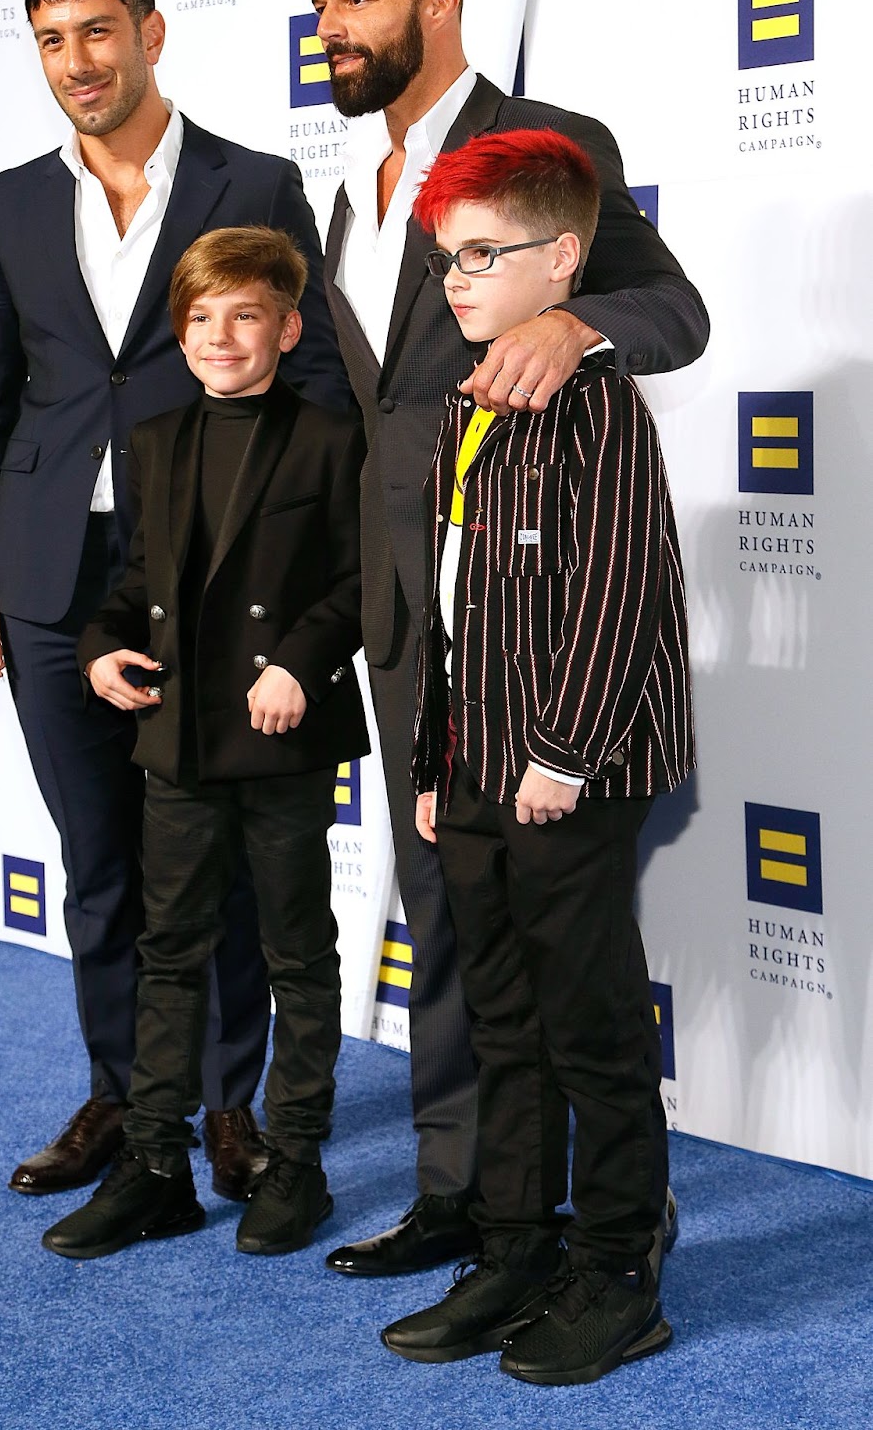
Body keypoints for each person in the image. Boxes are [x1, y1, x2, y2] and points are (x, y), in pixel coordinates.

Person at [303, 0, 707, 1277]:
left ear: (437, 0)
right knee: (445, 912)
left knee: (552, 942)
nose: (328, 30)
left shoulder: (544, 150)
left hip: (537, 611)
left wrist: (574, 318)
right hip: (407, 612)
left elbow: (674, 312)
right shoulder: (340, 189)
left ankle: (605, 1230)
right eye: (317, 7)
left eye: (354, 0)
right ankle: (470, 1194)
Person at [0, 0, 350, 1201]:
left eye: (98, 32)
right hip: (52, 573)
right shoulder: (13, 198)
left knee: (211, 851)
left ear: (151, 32)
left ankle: (229, 1104)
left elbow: (322, 378)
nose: (77, 62)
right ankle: (129, 1097)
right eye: (53, 40)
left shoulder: (255, 178)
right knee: (101, 856)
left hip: (212, 568)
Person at [378, 127, 693, 1383]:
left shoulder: (596, 407)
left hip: (570, 776)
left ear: (564, 262)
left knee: (592, 1025)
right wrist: (427, 761)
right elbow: (450, 607)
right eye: (445, 259)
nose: (457, 280)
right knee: (500, 1020)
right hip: (474, 769)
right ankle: (515, 1241)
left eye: (483, 255)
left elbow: (619, 595)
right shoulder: (469, 405)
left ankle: (619, 1264)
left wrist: (559, 757)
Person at [39, 227, 368, 1260]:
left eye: (245, 314)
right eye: (200, 317)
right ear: (179, 333)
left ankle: (299, 1161)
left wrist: (298, 662)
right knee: (169, 948)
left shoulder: (329, 437)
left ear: (287, 326)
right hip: (177, 734)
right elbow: (140, 581)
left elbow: (363, 581)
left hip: (278, 734)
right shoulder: (157, 438)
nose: (221, 335)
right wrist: (101, 646)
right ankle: (155, 1164)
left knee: (295, 952)